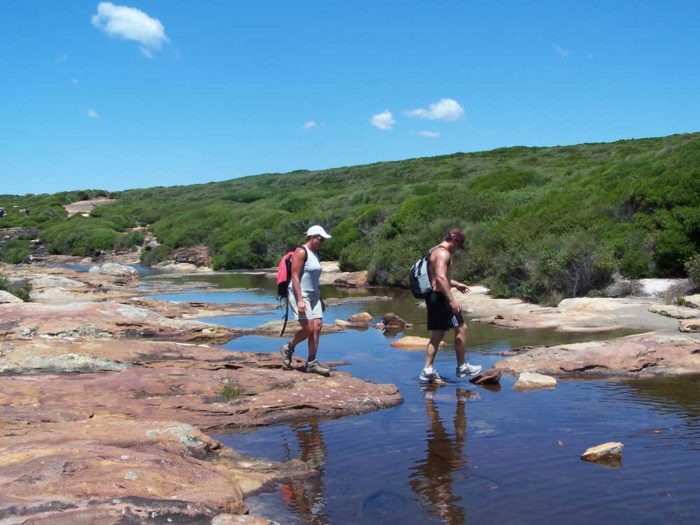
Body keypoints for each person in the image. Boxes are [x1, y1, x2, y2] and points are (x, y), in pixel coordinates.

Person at [419, 228, 482, 382]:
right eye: (458, 246)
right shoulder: (443, 253)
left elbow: (435, 277)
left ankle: (427, 370)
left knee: (438, 334)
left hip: (433, 296)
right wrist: (452, 300)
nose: (457, 250)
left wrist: (456, 284)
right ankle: (462, 367)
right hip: (441, 298)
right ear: (454, 240)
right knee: (461, 328)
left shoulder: (433, 251)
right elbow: (440, 278)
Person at [280, 225, 332, 376]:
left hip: (315, 294)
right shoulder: (301, 251)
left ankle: (311, 362)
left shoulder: (316, 253)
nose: (322, 242)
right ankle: (288, 348)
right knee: (308, 328)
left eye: (323, 240)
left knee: (317, 327)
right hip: (301, 294)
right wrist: (300, 300)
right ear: (312, 237)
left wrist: (321, 299)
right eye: (320, 239)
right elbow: (295, 276)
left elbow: (315, 279)